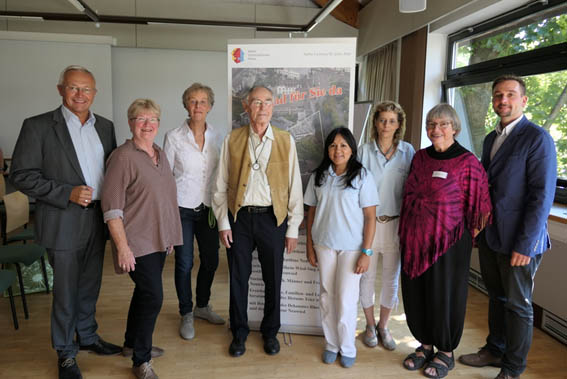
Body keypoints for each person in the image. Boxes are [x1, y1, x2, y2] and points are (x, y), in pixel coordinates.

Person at [10, 65, 120, 379]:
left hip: (97, 221)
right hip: (62, 220)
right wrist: (65, 193)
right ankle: (65, 352)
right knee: (66, 292)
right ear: (61, 90)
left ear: (95, 93)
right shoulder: (39, 126)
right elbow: (21, 175)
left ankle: (87, 336)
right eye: (73, 88)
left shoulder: (106, 127)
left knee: (89, 286)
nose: (80, 95)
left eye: (86, 89)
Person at [459, 75, 557, 379]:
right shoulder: (491, 138)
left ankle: (513, 367)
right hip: (491, 236)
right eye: (498, 95)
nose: (503, 100)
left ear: (523, 100)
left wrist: (525, 246)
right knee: (497, 298)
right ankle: (494, 349)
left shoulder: (537, 138)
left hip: (520, 240)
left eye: (510, 95)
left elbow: (542, 197)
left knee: (518, 305)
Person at [399, 104, 491, 379]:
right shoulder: (420, 158)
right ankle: (425, 344)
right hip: (415, 241)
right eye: (431, 124)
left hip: (449, 244)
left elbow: (481, 207)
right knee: (418, 293)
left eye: (442, 124)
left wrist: (464, 237)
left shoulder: (468, 163)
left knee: (445, 296)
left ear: (454, 128)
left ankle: (446, 351)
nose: (435, 129)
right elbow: (410, 192)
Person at [212, 85, 303, 357]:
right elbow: (220, 185)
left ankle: (270, 332)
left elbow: (294, 186)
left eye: (267, 102)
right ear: (246, 106)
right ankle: (238, 334)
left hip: (273, 220)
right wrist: (223, 223)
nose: (262, 108)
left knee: (272, 279)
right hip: (239, 220)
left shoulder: (286, 141)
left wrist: (293, 227)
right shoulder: (233, 139)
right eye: (256, 102)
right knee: (239, 279)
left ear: (273, 107)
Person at [102, 99, 182, 379]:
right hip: (136, 242)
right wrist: (122, 248)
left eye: (153, 120)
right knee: (153, 296)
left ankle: (129, 343)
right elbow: (111, 208)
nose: (147, 125)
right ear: (130, 122)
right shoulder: (123, 156)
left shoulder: (159, 153)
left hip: (158, 239)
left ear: (159, 123)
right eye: (141, 119)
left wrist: (170, 235)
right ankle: (141, 359)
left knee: (144, 293)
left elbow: (166, 199)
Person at [304, 127, 378, 368]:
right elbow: (311, 212)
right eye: (334, 145)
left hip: (352, 249)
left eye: (343, 145)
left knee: (346, 299)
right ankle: (331, 344)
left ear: (352, 149)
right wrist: (309, 246)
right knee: (327, 296)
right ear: (328, 149)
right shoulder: (319, 176)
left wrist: (366, 252)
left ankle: (347, 347)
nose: (338, 150)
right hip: (324, 245)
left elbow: (370, 217)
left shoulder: (362, 176)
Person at [163, 83, 225, 341]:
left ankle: (202, 305)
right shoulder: (173, 137)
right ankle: (186, 312)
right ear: (186, 105)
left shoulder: (219, 136)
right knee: (185, 263)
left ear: (209, 106)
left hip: (209, 208)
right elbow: (164, 177)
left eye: (202, 101)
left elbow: (222, 173)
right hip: (182, 209)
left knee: (211, 259)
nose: (197, 106)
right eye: (192, 101)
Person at [358, 101, 415, 350]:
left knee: (392, 279)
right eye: (382, 120)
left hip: (396, 225)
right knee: (366, 277)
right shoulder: (362, 151)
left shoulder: (408, 152)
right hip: (369, 226)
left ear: (399, 125)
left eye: (392, 121)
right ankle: (369, 325)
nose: (386, 125)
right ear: (375, 122)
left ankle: (384, 325)